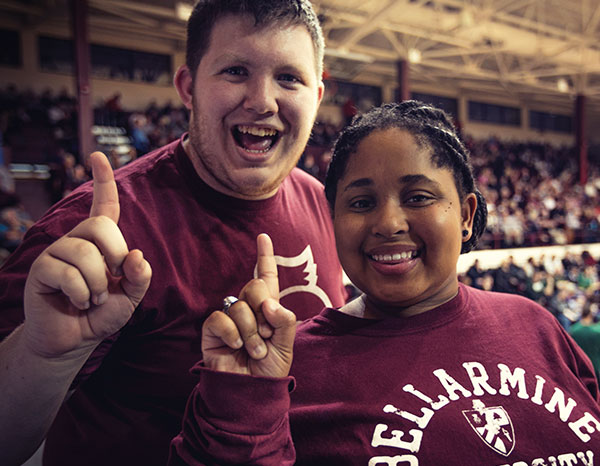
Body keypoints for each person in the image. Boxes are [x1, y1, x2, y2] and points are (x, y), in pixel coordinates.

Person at [0, 2, 347, 465]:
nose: (262, 100)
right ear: (188, 88)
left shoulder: (324, 203)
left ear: (318, 96)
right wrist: (44, 357)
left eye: (289, 78)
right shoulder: (93, 233)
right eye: (236, 71)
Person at [169, 101, 600, 465]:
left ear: (466, 216)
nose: (389, 223)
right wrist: (240, 407)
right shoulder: (284, 368)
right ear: (333, 220)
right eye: (360, 203)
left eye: (418, 197)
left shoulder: (535, 324)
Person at [569, 302, 600, 383]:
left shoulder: (573, 329)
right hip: (594, 368)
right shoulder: (596, 332)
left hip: (577, 368)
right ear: (590, 315)